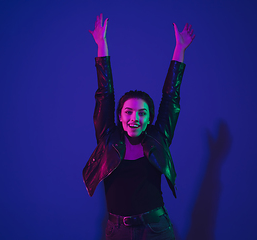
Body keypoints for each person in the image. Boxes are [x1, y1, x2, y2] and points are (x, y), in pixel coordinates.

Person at [83, 13, 195, 240]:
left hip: (156, 229)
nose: (135, 118)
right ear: (120, 117)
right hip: (117, 231)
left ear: (149, 119)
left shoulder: (158, 137)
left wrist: (179, 50)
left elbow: (170, 98)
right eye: (129, 112)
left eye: (142, 113)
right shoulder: (108, 138)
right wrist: (101, 44)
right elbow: (104, 93)